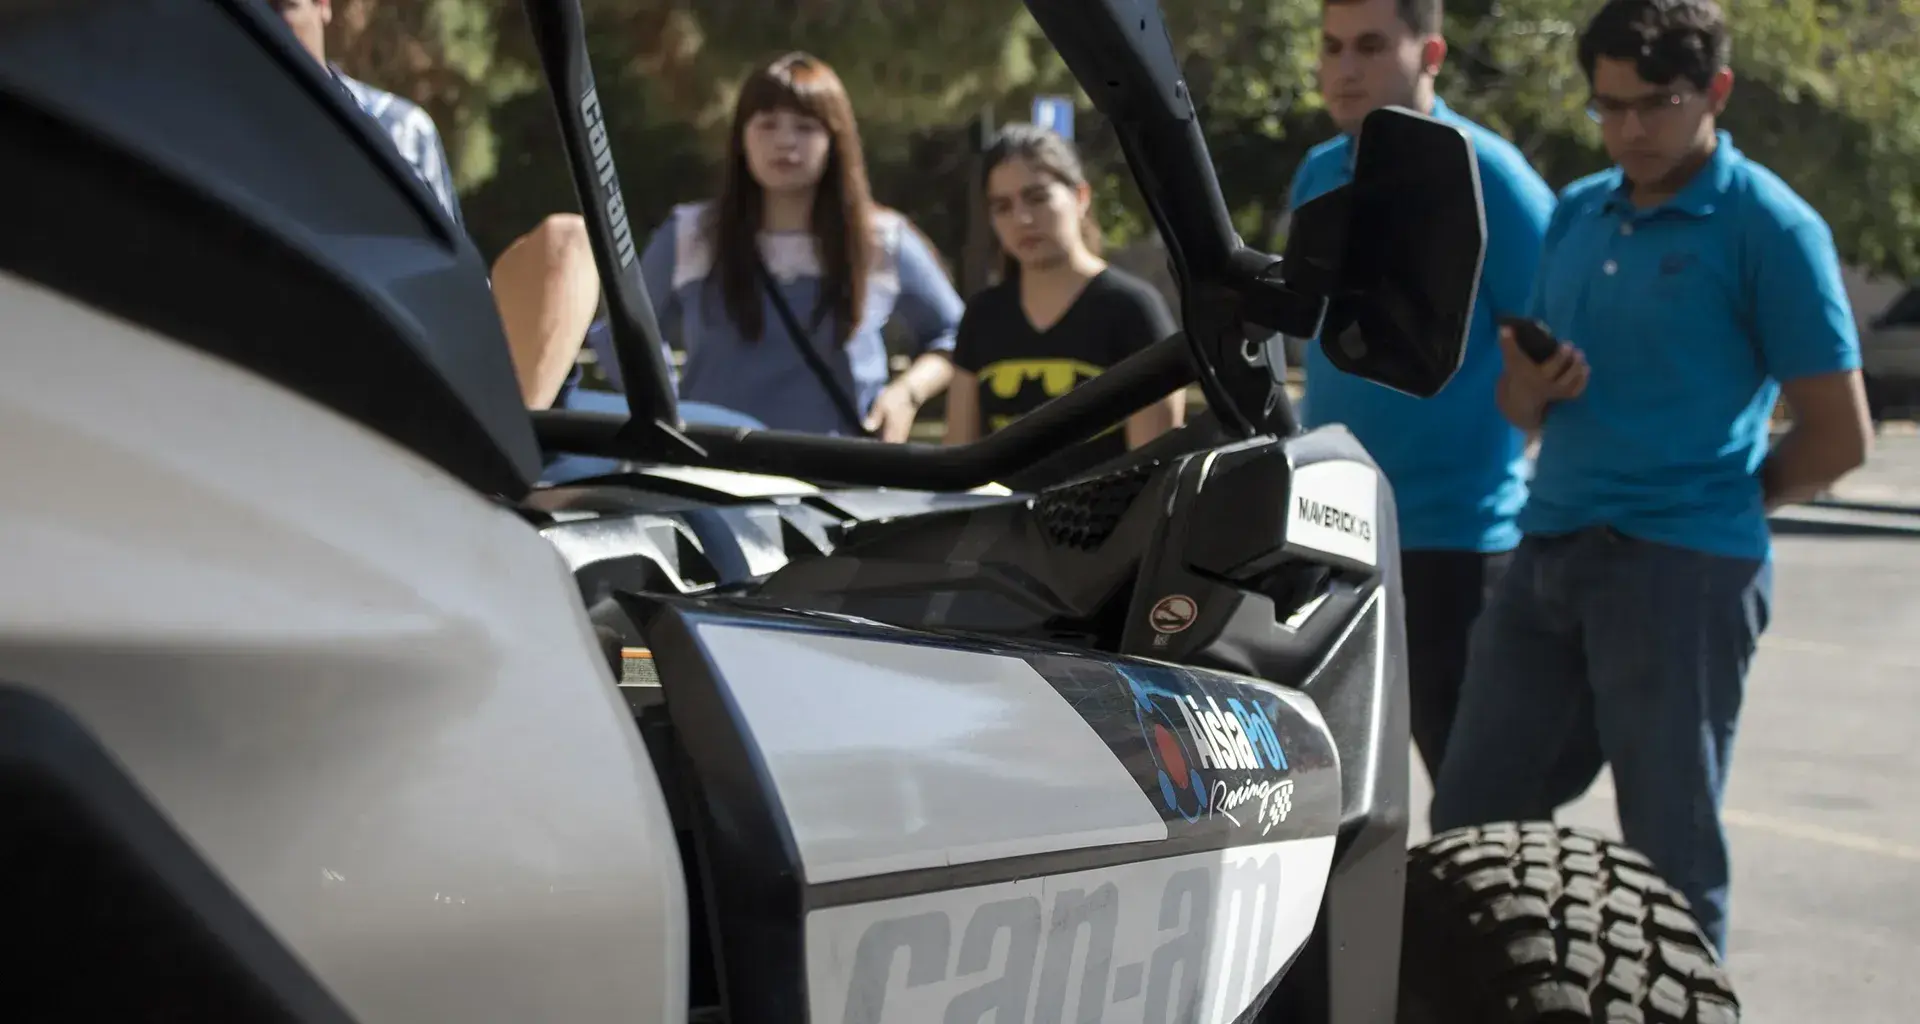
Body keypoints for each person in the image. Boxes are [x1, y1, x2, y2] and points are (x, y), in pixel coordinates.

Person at [1430, 0, 1872, 957]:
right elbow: (1519, 409)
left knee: (1670, 859)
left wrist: (1714, 504)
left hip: (1681, 572)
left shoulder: (1772, 227)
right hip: (1545, 557)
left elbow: (1840, 438)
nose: (1628, 129)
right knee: (1469, 830)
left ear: (1716, 89)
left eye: (1653, 105)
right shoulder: (1580, 209)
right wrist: (1531, 385)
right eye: (1607, 107)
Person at [1287, 0, 1555, 783]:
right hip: (1332, 532)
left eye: (1370, 46)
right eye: (1332, 47)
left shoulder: (1490, 175)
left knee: (1478, 804)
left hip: (1456, 545)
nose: (1345, 68)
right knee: (1327, 803)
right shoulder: (1319, 169)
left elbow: (1558, 343)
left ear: (1429, 51)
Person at [588, 52, 963, 441]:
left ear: (837, 140)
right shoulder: (691, 233)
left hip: (846, 475)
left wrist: (907, 394)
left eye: (805, 127)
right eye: (766, 124)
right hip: (715, 472)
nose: (785, 142)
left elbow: (959, 336)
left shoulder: (881, 239)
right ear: (741, 137)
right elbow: (621, 333)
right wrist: (671, 408)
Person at [270, 0, 601, 411]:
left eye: (279, 7)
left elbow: (444, 286)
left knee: (569, 242)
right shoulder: (213, 127)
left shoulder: (397, 129)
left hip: (405, 361)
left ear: (323, 5)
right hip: (287, 361)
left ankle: (504, 448)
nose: (264, 30)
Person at [943, 123, 1184, 476]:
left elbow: (1152, 475)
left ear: (1081, 197)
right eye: (1002, 206)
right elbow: (959, 464)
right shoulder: (981, 316)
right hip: (996, 527)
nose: (1022, 219)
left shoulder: (1133, 310)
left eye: (1037, 197)